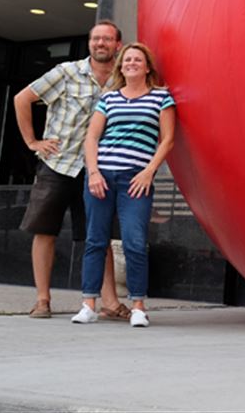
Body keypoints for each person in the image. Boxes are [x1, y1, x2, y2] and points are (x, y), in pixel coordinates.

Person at [14, 20, 130, 321]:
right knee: (45, 231)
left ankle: (109, 302)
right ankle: (42, 300)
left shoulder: (122, 79)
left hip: (98, 169)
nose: (100, 44)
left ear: (117, 44)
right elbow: (22, 98)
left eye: (107, 39)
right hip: (58, 164)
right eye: (95, 39)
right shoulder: (66, 72)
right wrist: (32, 141)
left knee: (98, 235)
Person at [72, 42, 176, 327]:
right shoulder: (109, 99)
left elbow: (167, 140)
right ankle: (88, 304)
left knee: (134, 242)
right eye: (127, 59)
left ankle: (138, 306)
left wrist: (149, 172)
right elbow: (91, 138)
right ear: (121, 66)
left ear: (147, 67)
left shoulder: (161, 98)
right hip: (101, 177)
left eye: (137, 60)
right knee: (95, 240)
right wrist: (93, 173)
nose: (131, 63)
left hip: (135, 180)